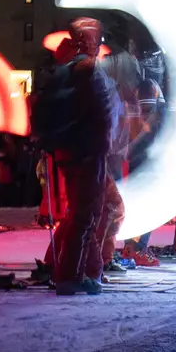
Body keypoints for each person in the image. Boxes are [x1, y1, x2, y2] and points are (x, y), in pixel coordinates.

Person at [33, 19, 122, 295]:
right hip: (87, 151)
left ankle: (82, 270)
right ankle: (72, 274)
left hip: (77, 151)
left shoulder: (68, 69)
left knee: (89, 213)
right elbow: (100, 116)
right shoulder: (87, 70)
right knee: (87, 215)